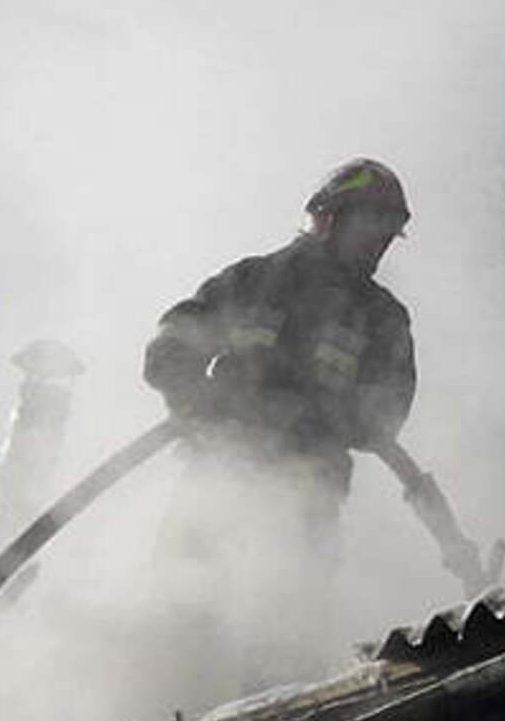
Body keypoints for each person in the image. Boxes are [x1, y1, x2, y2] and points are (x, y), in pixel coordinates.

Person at [141, 158, 416, 686]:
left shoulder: (382, 316)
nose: (378, 243)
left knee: (286, 635)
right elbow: (168, 349)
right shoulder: (252, 280)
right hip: (217, 480)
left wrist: (318, 414)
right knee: (182, 611)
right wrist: (202, 398)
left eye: (388, 232)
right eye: (371, 224)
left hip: (307, 495)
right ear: (328, 217)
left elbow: (387, 414)